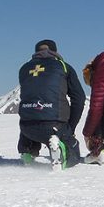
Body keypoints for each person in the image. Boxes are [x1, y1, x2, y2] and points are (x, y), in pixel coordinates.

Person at [17, 39, 86, 170]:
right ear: (55, 52)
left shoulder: (24, 69)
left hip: (26, 129)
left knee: (33, 110)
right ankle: (61, 151)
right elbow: (79, 98)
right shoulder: (64, 66)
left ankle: (27, 152)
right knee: (74, 154)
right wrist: (70, 128)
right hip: (54, 125)